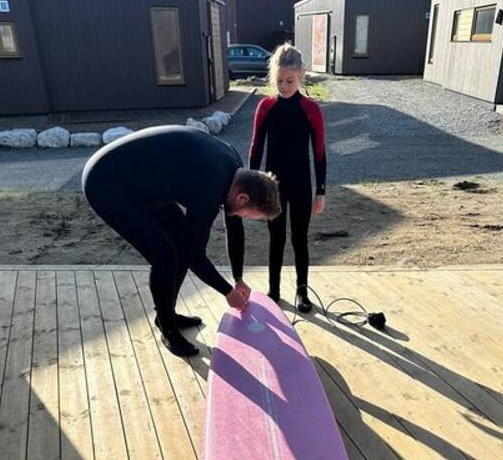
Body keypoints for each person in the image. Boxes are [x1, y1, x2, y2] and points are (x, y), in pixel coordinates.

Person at [82, 125, 281, 357]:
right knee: (165, 256)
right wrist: (227, 291)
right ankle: (167, 328)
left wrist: (238, 278)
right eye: (247, 214)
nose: (241, 217)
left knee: (179, 245)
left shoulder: (236, 172)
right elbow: (194, 254)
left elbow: (234, 227)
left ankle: (167, 313)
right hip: (106, 183)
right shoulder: (209, 186)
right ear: (243, 197)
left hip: (146, 182)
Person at [249, 44, 326, 312]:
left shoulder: (310, 109)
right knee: (276, 238)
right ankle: (274, 290)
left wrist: (321, 191)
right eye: (280, 80)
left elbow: (319, 152)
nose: (284, 86)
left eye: (290, 81)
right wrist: (254, 186)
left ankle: (302, 292)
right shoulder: (266, 106)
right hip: (273, 187)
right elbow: (256, 148)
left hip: (302, 185)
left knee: (299, 238)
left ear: (301, 75)